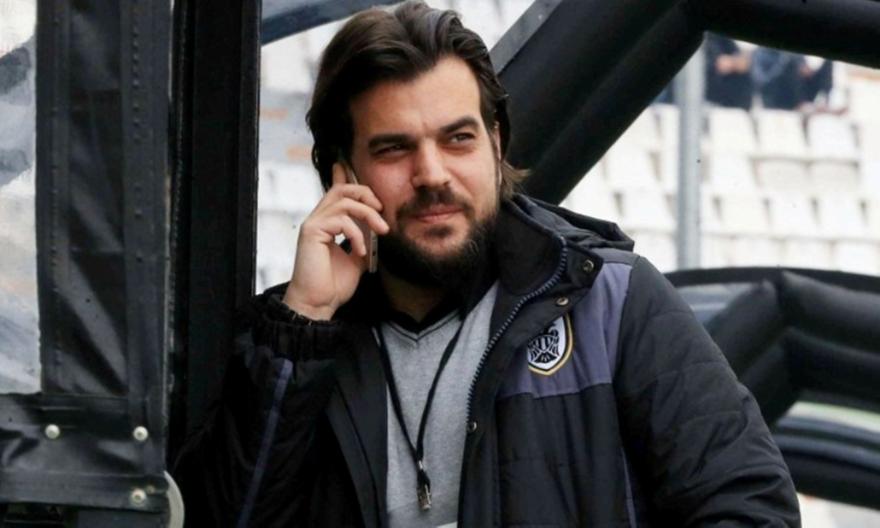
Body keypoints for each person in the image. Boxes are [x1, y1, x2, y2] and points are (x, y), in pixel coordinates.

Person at [173, 2, 800, 526]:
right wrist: (305, 321)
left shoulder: (611, 302)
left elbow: (750, 508)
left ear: (496, 143)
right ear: (342, 172)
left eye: (458, 138)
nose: (432, 174)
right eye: (394, 149)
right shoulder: (294, 349)